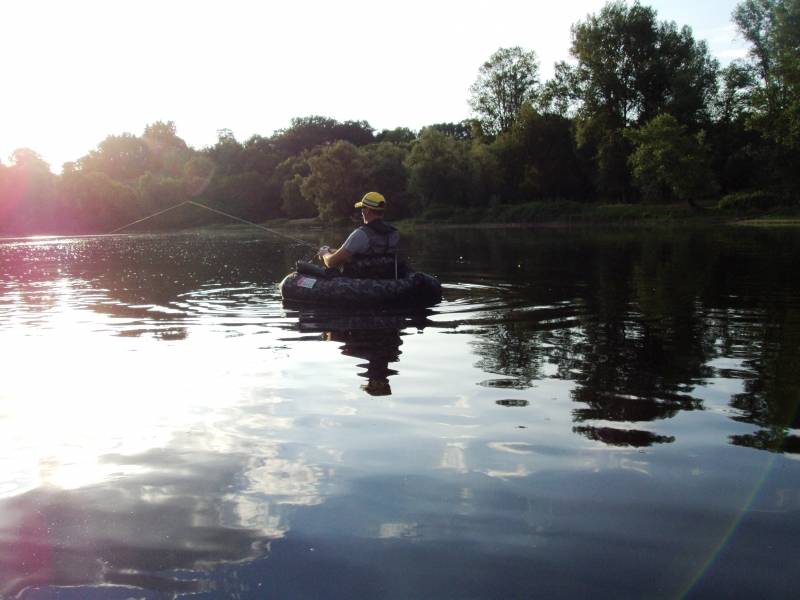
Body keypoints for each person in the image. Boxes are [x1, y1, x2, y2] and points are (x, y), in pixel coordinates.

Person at [317, 192, 403, 279]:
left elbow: (331, 263)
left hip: (361, 284)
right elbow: (374, 256)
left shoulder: (361, 234)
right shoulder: (394, 233)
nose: (361, 211)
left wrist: (325, 253)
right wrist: (333, 251)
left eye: (362, 208)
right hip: (385, 282)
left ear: (367, 211)